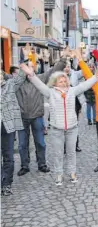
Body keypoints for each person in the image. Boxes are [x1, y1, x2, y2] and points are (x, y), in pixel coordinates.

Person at [27, 61, 98, 185]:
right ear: (55, 82)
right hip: (56, 128)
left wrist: (96, 77)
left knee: (71, 153)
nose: (63, 83)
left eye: (65, 80)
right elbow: (39, 85)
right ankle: (59, 174)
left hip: (72, 128)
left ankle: (72, 172)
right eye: (60, 81)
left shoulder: (72, 91)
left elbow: (85, 85)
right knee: (58, 153)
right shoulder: (50, 92)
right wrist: (32, 75)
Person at [16, 46, 67, 176]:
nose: (29, 69)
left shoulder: (41, 78)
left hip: (37, 116)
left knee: (40, 142)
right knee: (22, 144)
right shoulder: (17, 82)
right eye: (27, 66)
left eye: (32, 66)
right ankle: (24, 166)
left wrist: (63, 57)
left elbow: (55, 70)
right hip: (22, 117)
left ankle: (42, 164)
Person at [1, 64, 29, 196]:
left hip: (8, 126)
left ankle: (6, 184)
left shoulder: (9, 85)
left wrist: (27, 64)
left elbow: (20, 77)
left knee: (8, 157)